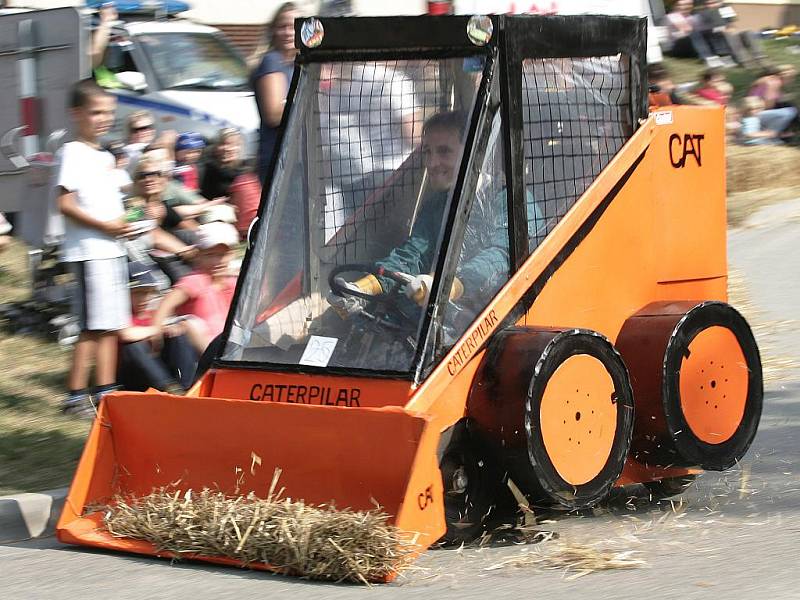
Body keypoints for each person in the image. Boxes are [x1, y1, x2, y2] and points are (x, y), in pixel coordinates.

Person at [327, 111, 507, 316]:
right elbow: (413, 254)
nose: (431, 163)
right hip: (439, 320)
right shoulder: (436, 205)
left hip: (490, 316)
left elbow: (500, 255)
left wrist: (448, 285)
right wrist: (362, 288)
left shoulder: (506, 201)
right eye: (427, 152)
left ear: (474, 153)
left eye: (444, 152)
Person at [56, 79, 133, 417]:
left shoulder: (104, 156)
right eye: (96, 112)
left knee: (110, 324)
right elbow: (66, 203)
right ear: (77, 114)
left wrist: (128, 221)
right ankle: (75, 396)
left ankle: (106, 392)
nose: (104, 118)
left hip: (111, 249)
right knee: (91, 325)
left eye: (109, 113)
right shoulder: (72, 152)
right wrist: (106, 227)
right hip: (89, 251)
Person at [151, 222, 240, 354]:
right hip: (207, 348)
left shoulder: (231, 282)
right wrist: (156, 335)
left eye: (223, 255)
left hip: (232, 341)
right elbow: (165, 305)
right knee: (190, 324)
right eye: (210, 255)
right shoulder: (196, 281)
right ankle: (215, 361)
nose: (218, 261)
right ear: (198, 255)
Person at [117, 262, 198, 393]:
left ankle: (187, 386)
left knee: (177, 335)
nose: (145, 298)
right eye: (137, 293)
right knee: (133, 347)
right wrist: (157, 329)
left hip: (156, 367)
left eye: (148, 292)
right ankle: (169, 388)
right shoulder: (119, 316)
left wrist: (169, 330)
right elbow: (124, 334)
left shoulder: (152, 314)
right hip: (131, 376)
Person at [250, 2, 299, 181]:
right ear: (273, 31)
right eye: (282, 26)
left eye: (293, 27)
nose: (288, 32)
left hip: (300, 159)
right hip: (278, 160)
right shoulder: (272, 60)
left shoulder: (300, 64)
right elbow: (274, 115)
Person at [662, 0, 720, 67]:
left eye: (689, 4)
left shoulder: (693, 17)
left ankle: (720, 55)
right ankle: (708, 58)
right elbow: (687, 30)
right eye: (684, 4)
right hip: (674, 47)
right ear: (677, 6)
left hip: (690, 46)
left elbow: (705, 29)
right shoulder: (672, 16)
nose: (687, 7)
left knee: (709, 32)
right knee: (694, 33)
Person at [200, 128, 246, 201]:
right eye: (222, 144)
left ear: (239, 148)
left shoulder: (244, 173)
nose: (227, 149)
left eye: (232, 145)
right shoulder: (205, 168)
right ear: (215, 147)